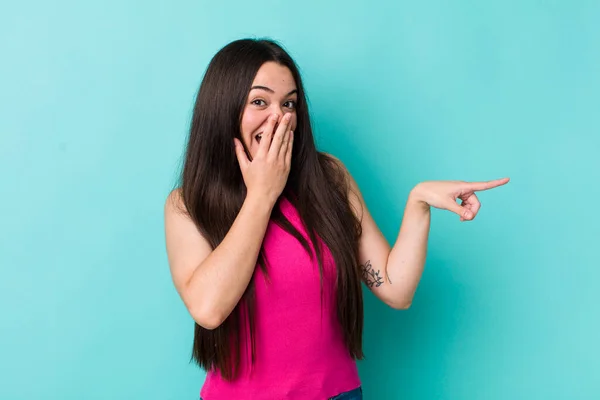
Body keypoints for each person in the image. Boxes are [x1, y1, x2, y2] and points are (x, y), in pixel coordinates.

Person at [164, 38, 509, 400]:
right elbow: (208, 309)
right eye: (259, 102)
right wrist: (263, 193)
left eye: (289, 104)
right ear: (224, 109)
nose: (280, 118)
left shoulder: (329, 178)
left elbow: (396, 289)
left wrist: (419, 202)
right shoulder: (186, 205)